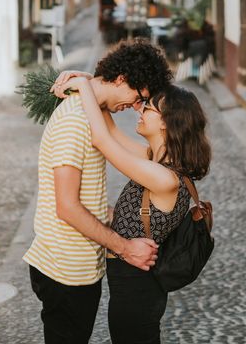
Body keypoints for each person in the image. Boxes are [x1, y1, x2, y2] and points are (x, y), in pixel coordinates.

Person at [23, 39, 173, 344]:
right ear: (121, 79)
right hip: (64, 269)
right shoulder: (75, 123)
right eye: (137, 96)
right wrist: (124, 247)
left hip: (78, 267)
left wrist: (87, 83)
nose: (134, 107)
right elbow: (67, 207)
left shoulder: (90, 117)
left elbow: (91, 192)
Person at [53, 74, 211, 344]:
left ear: (166, 123)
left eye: (148, 107)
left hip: (137, 289)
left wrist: (82, 87)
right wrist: (96, 85)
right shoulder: (155, 161)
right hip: (134, 285)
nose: (140, 108)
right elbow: (111, 131)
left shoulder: (164, 178)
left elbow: (102, 141)